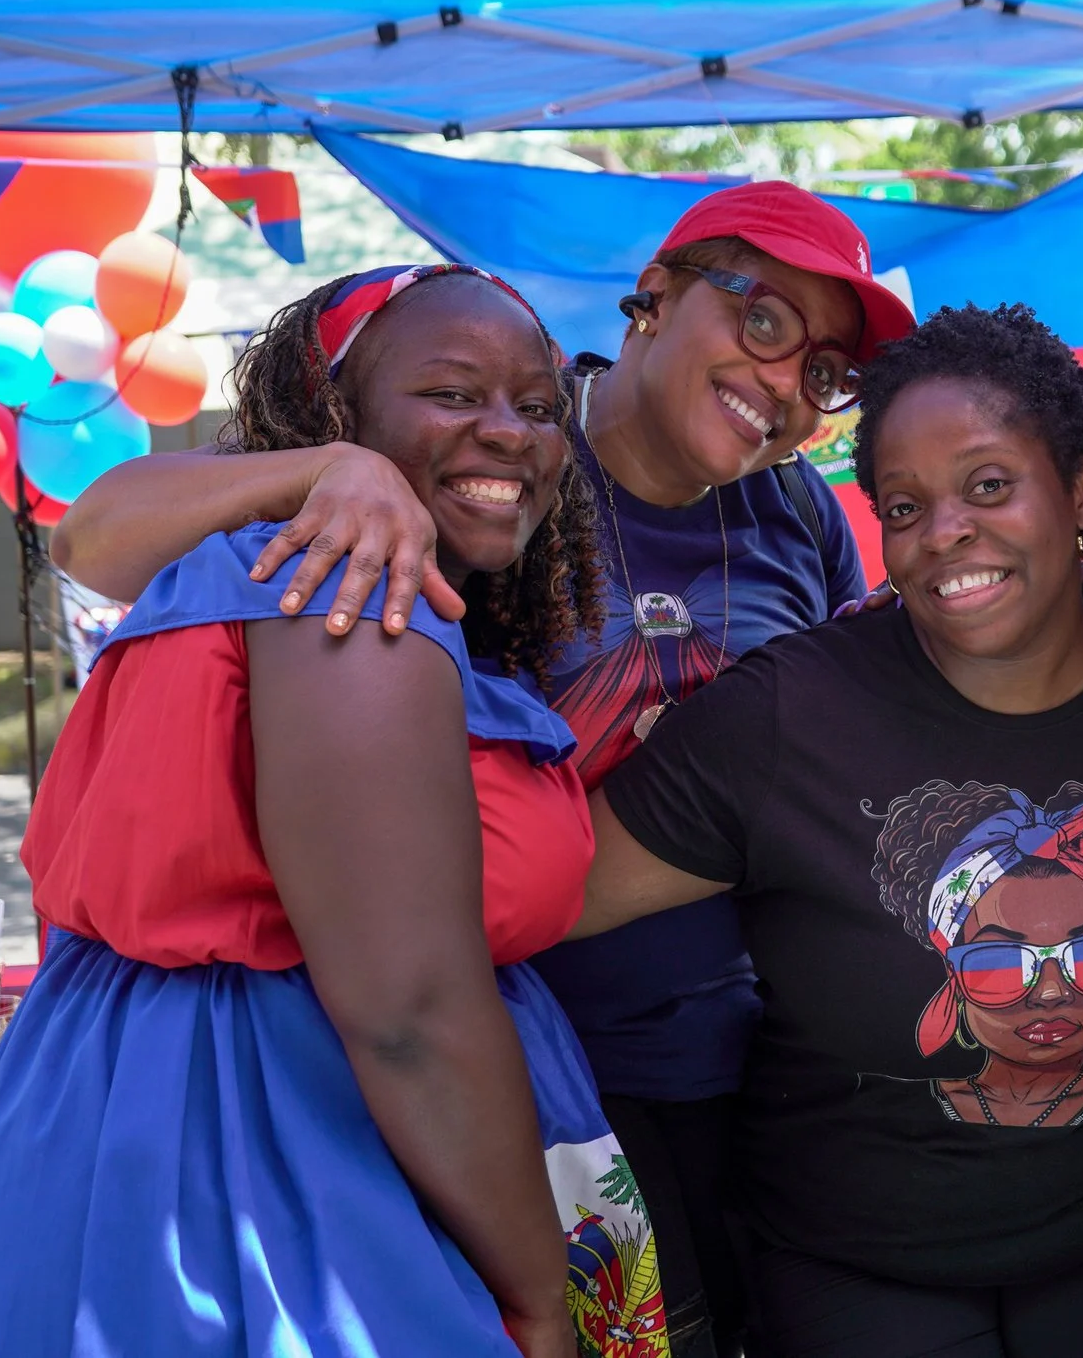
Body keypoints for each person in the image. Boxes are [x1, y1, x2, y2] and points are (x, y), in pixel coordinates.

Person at [50, 182, 911, 1358]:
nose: (785, 381)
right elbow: (95, 536)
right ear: (651, 299)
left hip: (736, 1053)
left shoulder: (785, 509)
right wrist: (327, 471)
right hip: (475, 1067)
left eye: (825, 372)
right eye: (763, 322)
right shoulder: (450, 500)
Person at [0, 264, 665, 1358]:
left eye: (540, 404)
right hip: (283, 1159)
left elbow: (93, 531)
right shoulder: (343, 580)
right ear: (337, 414)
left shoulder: (245, 567)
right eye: (454, 393)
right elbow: (407, 1009)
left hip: (147, 1130)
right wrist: (535, 1296)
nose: (512, 433)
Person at [576, 304, 1083, 1358]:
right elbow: (535, 893)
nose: (944, 532)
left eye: (990, 485)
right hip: (852, 1262)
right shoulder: (787, 719)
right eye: (904, 505)